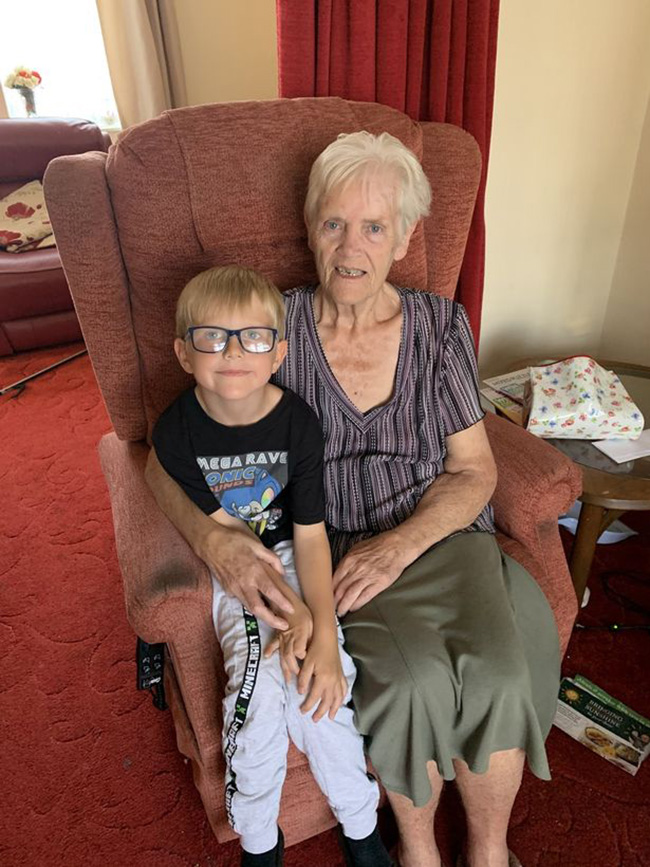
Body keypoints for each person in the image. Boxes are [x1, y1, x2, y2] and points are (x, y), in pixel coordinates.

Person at [146, 133, 561, 867]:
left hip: (435, 539)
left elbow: (473, 470)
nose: (350, 245)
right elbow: (162, 454)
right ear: (309, 230)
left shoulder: (440, 328)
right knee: (410, 684)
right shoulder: (273, 332)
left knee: (499, 671)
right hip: (326, 553)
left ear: (404, 236)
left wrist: (399, 545)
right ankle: (419, 850)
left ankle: (489, 851)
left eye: (374, 226)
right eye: (333, 222)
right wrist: (212, 540)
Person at [151, 265, 393, 867]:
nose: (233, 353)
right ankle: (260, 842)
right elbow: (233, 543)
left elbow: (311, 539)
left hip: (295, 557)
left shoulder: (298, 423)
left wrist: (319, 631)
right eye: (212, 337)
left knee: (321, 696)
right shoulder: (177, 432)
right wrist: (287, 625)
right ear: (184, 352)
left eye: (254, 337)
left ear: (279, 351)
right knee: (258, 706)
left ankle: (361, 829)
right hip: (234, 567)